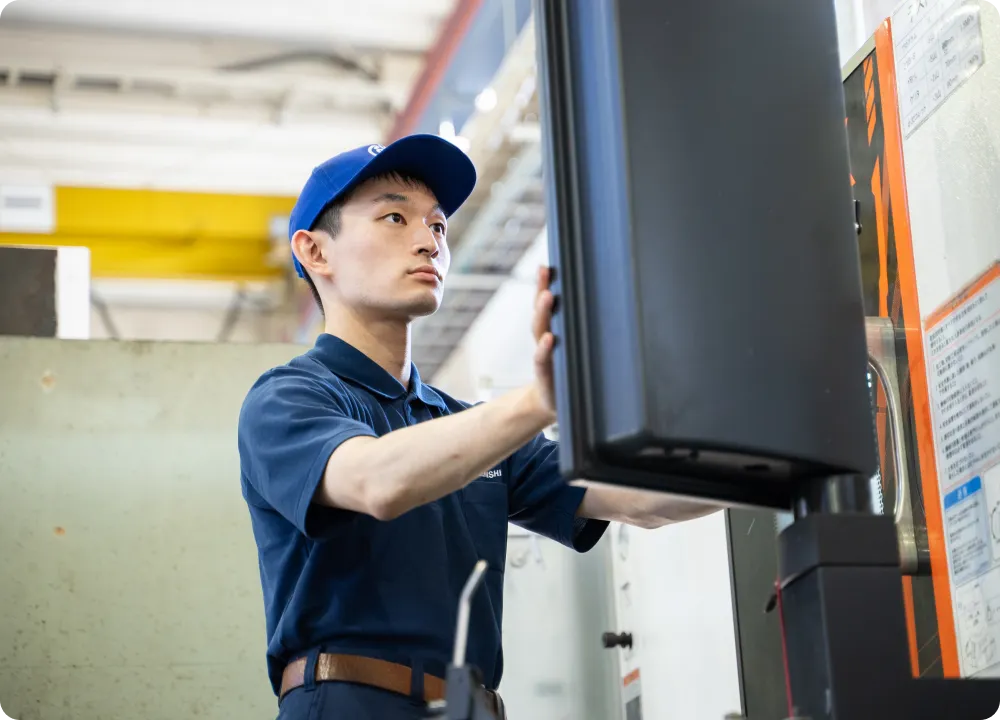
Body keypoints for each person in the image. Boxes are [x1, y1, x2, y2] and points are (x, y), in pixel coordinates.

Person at [237, 134, 717, 720]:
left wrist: (791, 446)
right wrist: (540, 401)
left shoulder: (464, 425)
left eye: (438, 227)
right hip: (350, 704)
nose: (427, 241)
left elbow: (645, 497)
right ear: (314, 252)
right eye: (395, 217)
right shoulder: (288, 399)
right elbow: (377, 483)